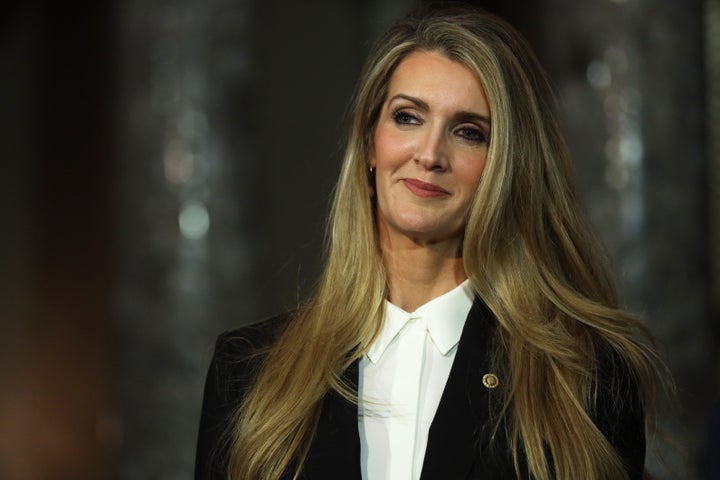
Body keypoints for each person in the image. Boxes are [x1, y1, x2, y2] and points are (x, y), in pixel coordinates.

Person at [195, 4, 669, 480]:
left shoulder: (583, 377)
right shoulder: (249, 372)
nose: (429, 154)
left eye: (468, 132)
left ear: (508, 165)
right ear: (369, 142)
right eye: (407, 117)